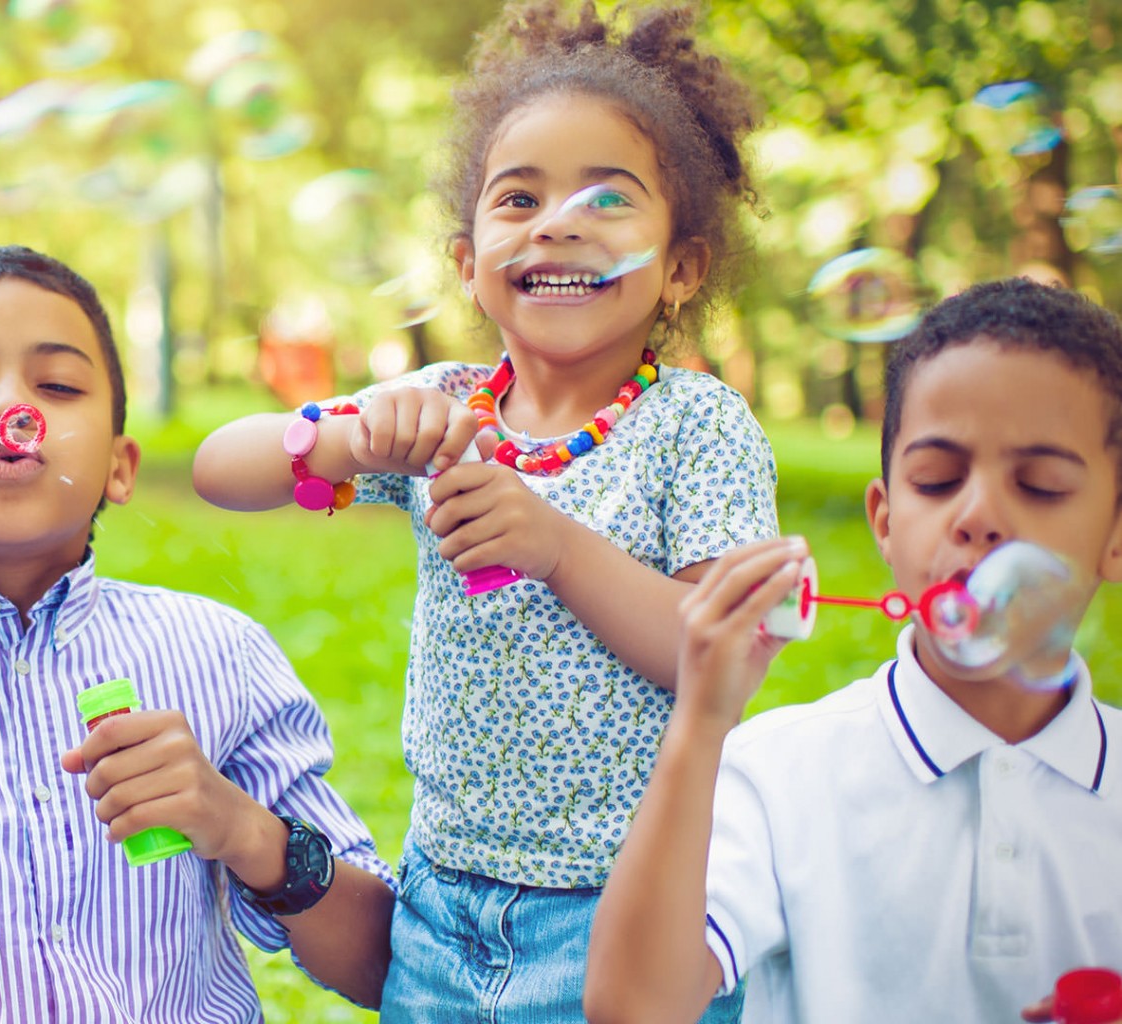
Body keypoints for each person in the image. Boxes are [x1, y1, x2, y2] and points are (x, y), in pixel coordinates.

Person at [191, 2, 773, 1020]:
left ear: (680, 267)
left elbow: (708, 654)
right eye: (519, 199)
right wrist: (345, 438)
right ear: (469, 263)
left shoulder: (698, 426)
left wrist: (554, 545)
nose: (557, 222)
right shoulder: (447, 407)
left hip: (625, 914)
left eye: (607, 199)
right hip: (440, 907)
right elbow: (218, 468)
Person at [0, 244, 397, 1023]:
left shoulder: (216, 653)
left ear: (119, 467)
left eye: (57, 385)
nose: (5, 409)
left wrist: (241, 828)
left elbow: (378, 965)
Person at [584, 277, 1122, 1024]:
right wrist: (701, 722)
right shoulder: (779, 772)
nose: (978, 516)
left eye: (1039, 484)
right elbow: (631, 1007)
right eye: (936, 481)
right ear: (885, 520)